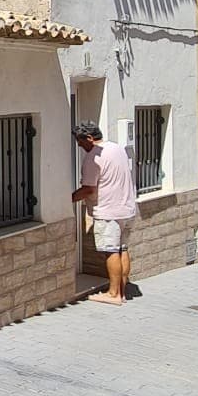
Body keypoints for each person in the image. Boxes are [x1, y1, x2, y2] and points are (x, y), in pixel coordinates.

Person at [71, 121, 137, 305]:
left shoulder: (93, 158)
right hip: (127, 209)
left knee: (110, 252)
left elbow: (88, 189)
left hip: (108, 212)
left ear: (90, 138)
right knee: (122, 249)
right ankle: (122, 291)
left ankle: (113, 294)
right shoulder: (116, 148)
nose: (79, 145)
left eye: (80, 141)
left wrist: (68, 199)